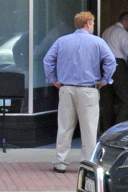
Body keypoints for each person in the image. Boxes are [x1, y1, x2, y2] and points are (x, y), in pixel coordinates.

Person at [43, 10, 116, 174]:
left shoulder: (62, 41)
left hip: (66, 88)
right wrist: (105, 80)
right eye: (93, 24)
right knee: (89, 128)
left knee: (64, 127)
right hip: (88, 90)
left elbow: (48, 60)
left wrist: (53, 79)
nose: (93, 26)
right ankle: (87, 163)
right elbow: (111, 61)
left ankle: (60, 161)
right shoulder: (98, 42)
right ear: (88, 23)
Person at [99, 12, 128, 131]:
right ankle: (119, 130)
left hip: (104, 65)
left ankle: (106, 129)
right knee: (125, 98)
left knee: (106, 99)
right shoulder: (122, 32)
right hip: (117, 65)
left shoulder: (106, 30)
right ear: (126, 21)